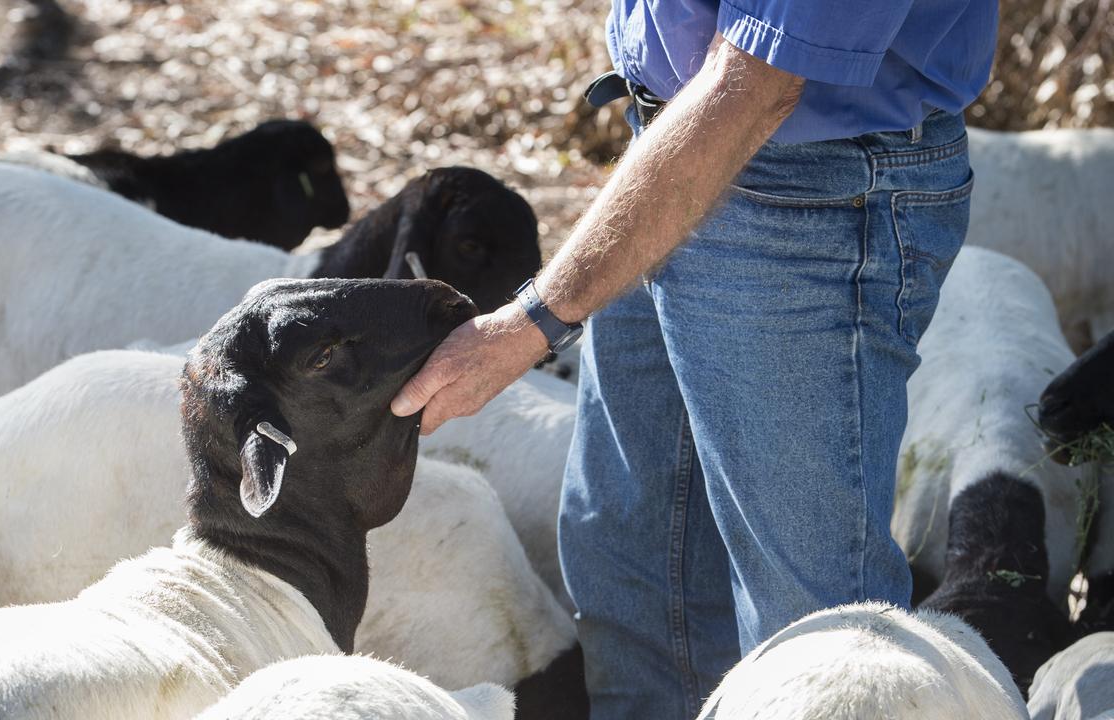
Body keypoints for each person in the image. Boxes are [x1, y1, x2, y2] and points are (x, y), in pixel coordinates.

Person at [391, 1, 998, 716]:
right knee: (634, 567)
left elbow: (759, 81)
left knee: (814, 642)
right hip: (673, 147)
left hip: (806, 186)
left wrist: (531, 324)